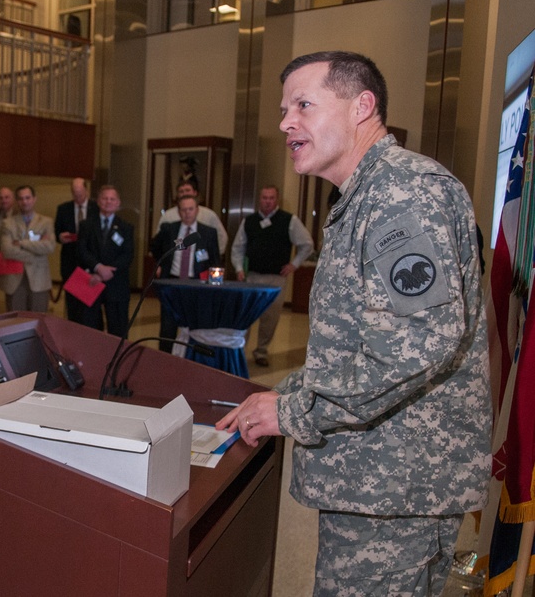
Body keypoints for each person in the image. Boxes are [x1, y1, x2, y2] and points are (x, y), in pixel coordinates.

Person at [216, 51, 490, 596]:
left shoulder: (400, 194)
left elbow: (416, 346)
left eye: (303, 104)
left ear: (362, 106)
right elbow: (353, 348)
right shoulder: (367, 195)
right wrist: (286, 390)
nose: (285, 122)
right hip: (379, 480)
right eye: (283, 109)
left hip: (397, 490)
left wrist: (293, 408)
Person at [229, 184, 314, 366]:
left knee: (270, 317)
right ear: (259, 199)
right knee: (246, 315)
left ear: (277, 199)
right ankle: (239, 351)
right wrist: (238, 268)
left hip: (275, 279)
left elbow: (307, 244)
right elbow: (237, 247)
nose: (267, 202)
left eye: (271, 198)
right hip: (251, 277)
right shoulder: (249, 221)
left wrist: (294, 264)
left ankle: (261, 351)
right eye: (264, 198)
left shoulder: (289, 220)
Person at [150, 195, 220, 352]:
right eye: (183, 210)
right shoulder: (169, 229)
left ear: (197, 210)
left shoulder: (208, 233)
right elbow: (155, 247)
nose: (187, 213)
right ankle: (165, 358)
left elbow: (215, 262)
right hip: (172, 283)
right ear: (179, 211)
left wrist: (214, 287)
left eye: (190, 209)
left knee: (196, 327)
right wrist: (159, 264)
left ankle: (194, 358)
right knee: (168, 326)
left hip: (196, 285)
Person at [78, 185, 133, 337]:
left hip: (116, 284)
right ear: (98, 201)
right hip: (91, 281)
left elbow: (127, 256)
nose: (108, 201)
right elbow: (82, 251)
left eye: (112, 199)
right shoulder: (86, 225)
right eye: (105, 198)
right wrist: (97, 267)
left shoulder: (126, 228)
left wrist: (104, 273)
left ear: (118, 203)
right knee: (90, 330)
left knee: (118, 331)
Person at [0, 185, 56, 312]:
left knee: (38, 321)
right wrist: (35, 254)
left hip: (39, 280)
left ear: (34, 199)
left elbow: (50, 246)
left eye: (28, 198)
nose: (24, 201)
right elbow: (7, 250)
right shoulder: (8, 223)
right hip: (14, 280)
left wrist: (22, 243)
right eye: (21, 198)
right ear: (16, 201)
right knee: (15, 323)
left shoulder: (46, 222)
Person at [55, 177, 98, 322]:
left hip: (91, 263)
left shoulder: (96, 208)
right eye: (74, 193)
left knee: (90, 307)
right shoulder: (63, 208)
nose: (77, 196)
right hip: (70, 262)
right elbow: (57, 233)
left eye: (80, 193)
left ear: (86, 190)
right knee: (72, 305)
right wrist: (61, 237)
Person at [154, 179, 228, 255]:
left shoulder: (209, 214)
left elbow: (222, 237)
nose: (184, 193)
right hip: (176, 261)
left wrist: (213, 254)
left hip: (201, 261)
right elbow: (159, 241)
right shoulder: (168, 215)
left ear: (195, 193)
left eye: (187, 190)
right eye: (181, 191)